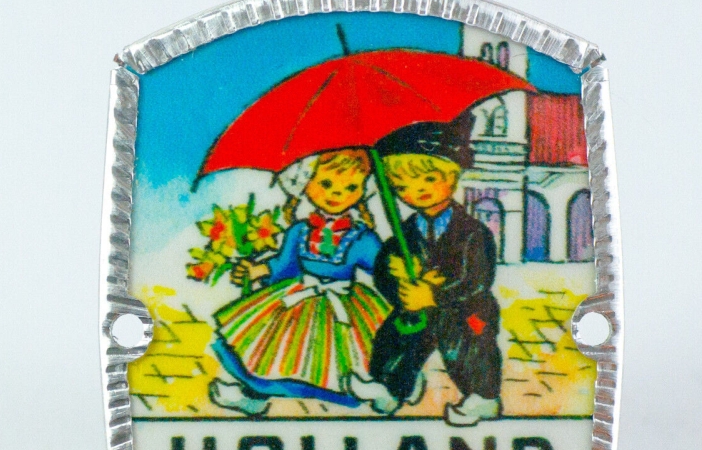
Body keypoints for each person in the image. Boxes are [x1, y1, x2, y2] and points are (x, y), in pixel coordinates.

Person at [348, 117, 502, 426]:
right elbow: (383, 271)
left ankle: (483, 396)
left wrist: (434, 295)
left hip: (464, 309)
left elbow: (476, 279)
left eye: (428, 179)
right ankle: (391, 387)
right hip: (418, 308)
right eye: (402, 186)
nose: (416, 191)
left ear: (452, 176)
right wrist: (399, 283)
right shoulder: (405, 233)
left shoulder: (472, 232)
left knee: (467, 345)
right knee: (397, 336)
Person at [210, 149, 389, 414]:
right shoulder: (299, 231)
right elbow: (284, 266)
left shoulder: (363, 238)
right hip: (299, 297)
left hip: (345, 305)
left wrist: (398, 270)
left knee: (345, 359)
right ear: (305, 183)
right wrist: (256, 271)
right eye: (326, 183)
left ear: (364, 190)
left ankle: (387, 389)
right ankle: (254, 397)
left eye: (351, 187)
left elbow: (382, 270)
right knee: (274, 352)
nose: (337, 193)